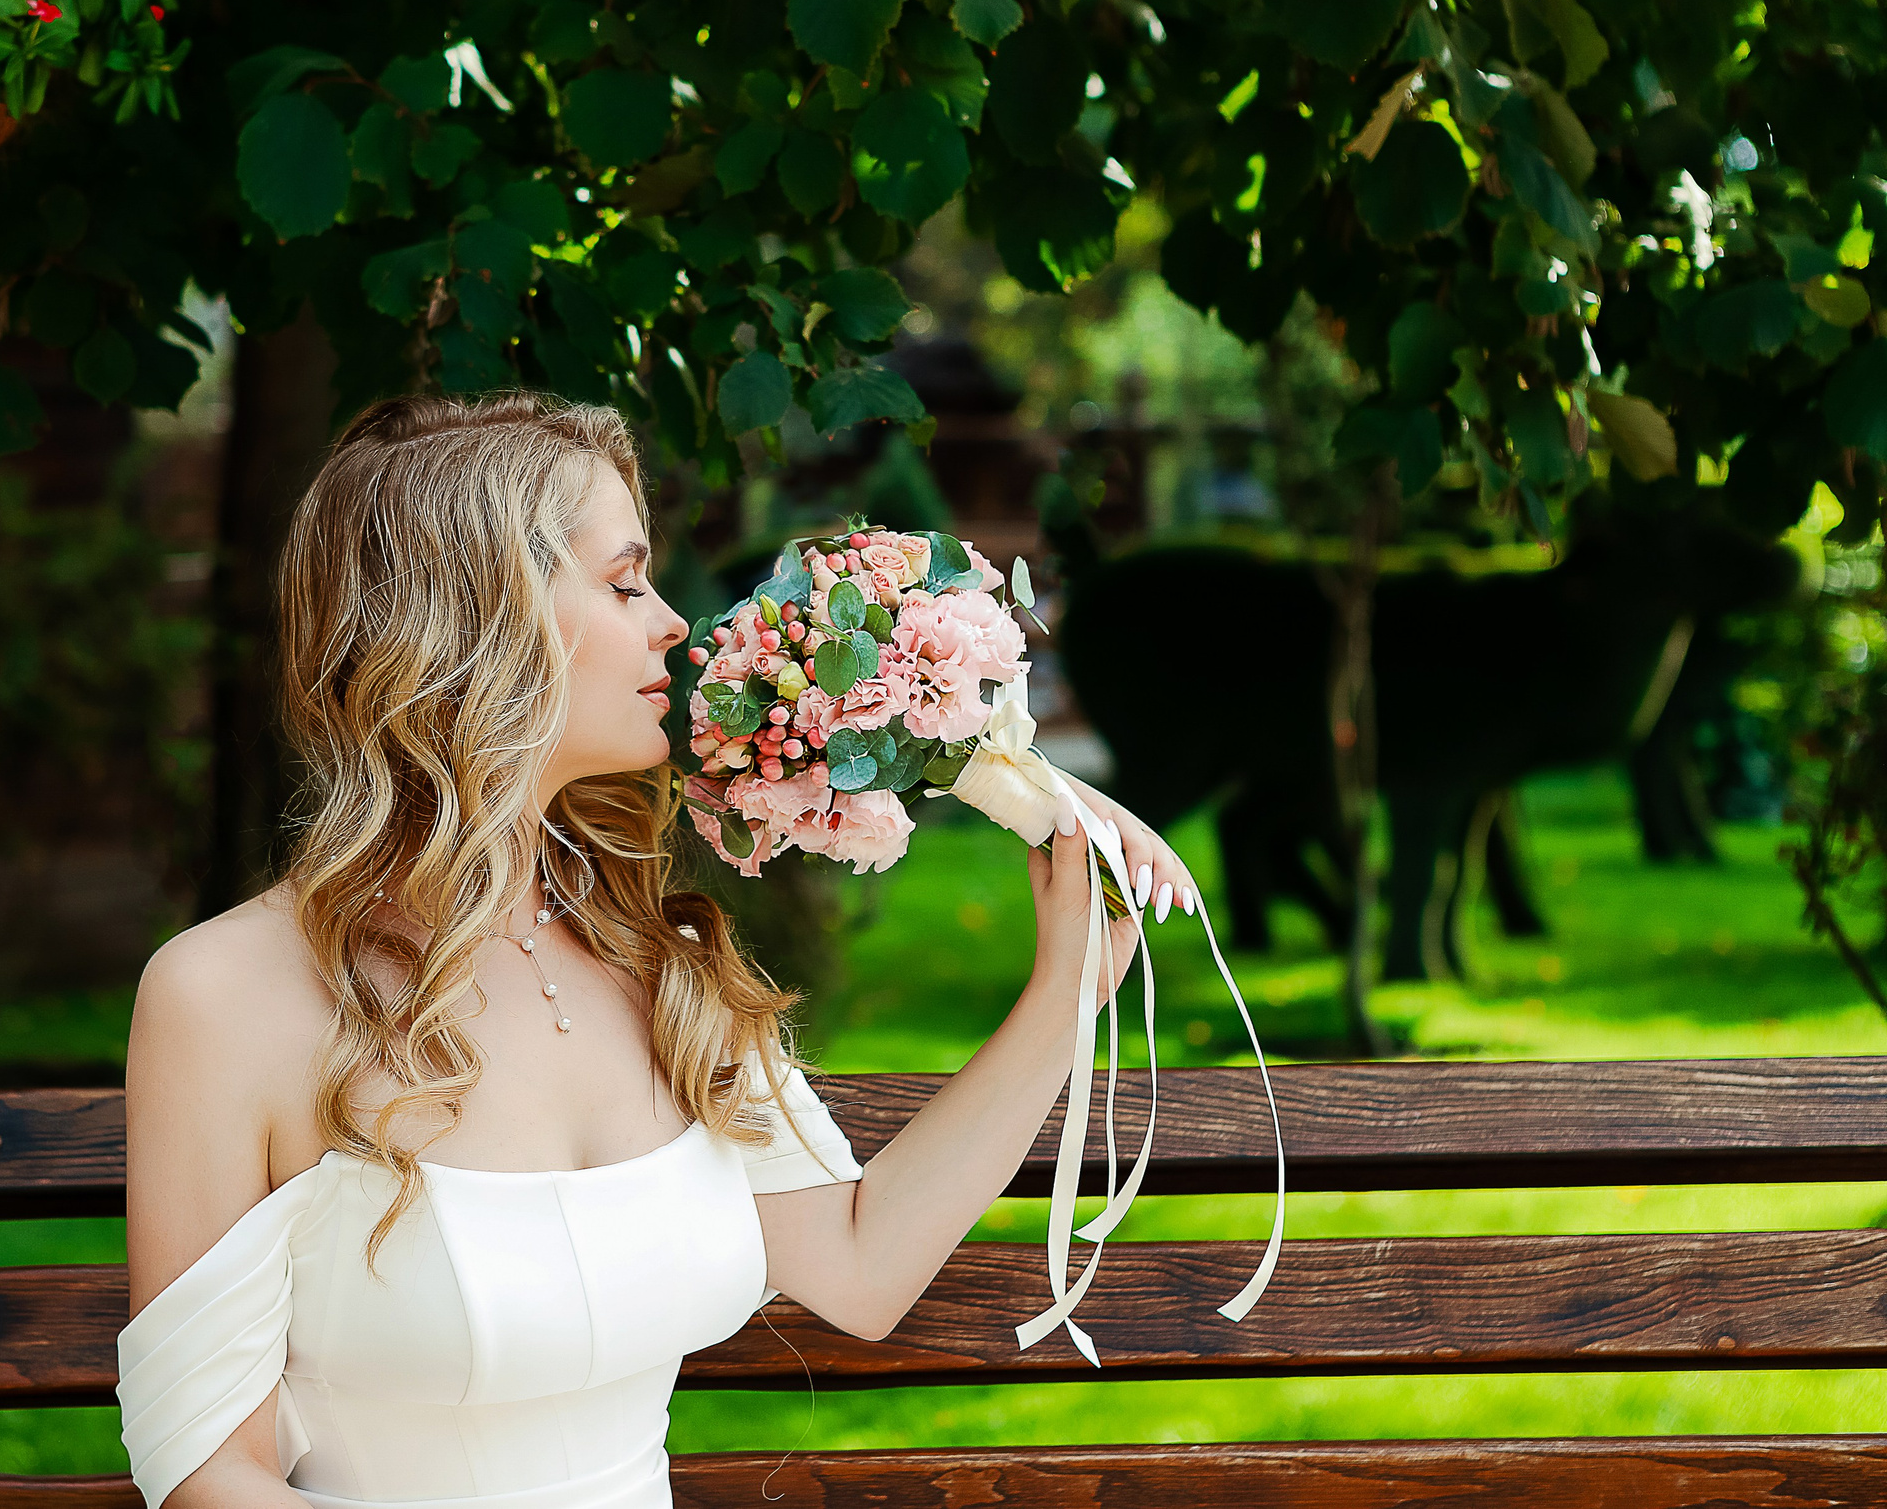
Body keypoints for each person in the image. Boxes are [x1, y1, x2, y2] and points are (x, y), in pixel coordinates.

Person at [117, 392, 1192, 1509]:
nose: (675, 622)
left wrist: (1069, 982)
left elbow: (862, 1263)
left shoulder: (655, 957)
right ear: (482, 615)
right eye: (625, 582)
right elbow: (206, 1476)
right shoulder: (225, 998)